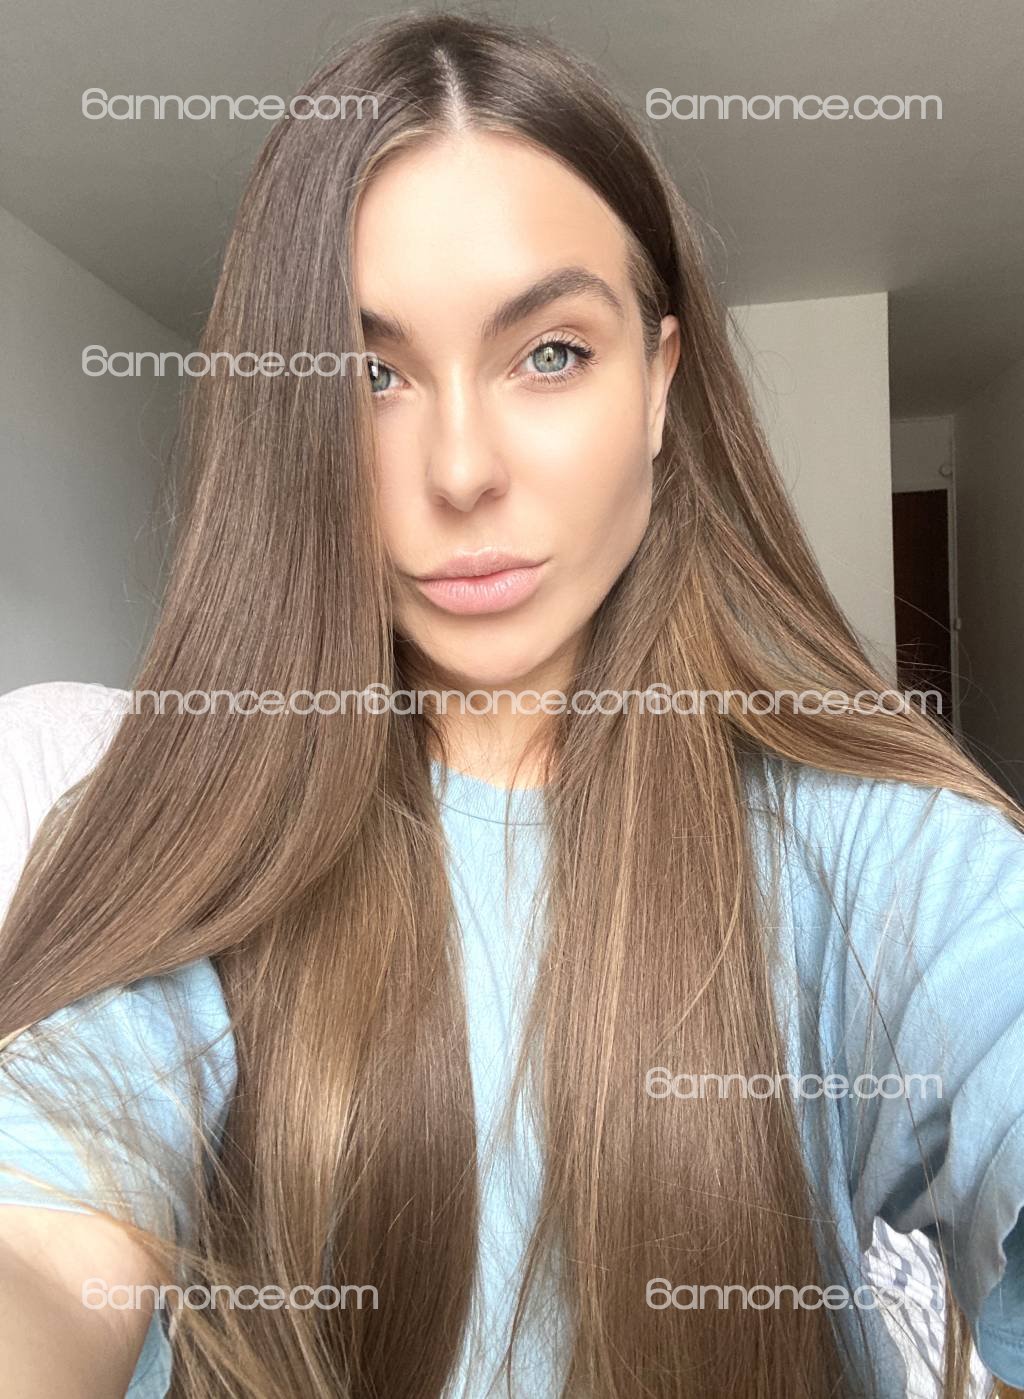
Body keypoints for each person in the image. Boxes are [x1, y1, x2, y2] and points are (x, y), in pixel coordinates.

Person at [0, 12, 1021, 1398]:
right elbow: (46, 1248)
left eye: (550, 353)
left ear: (658, 386)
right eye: (368, 374)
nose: (462, 468)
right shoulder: (189, 830)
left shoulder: (865, 844)